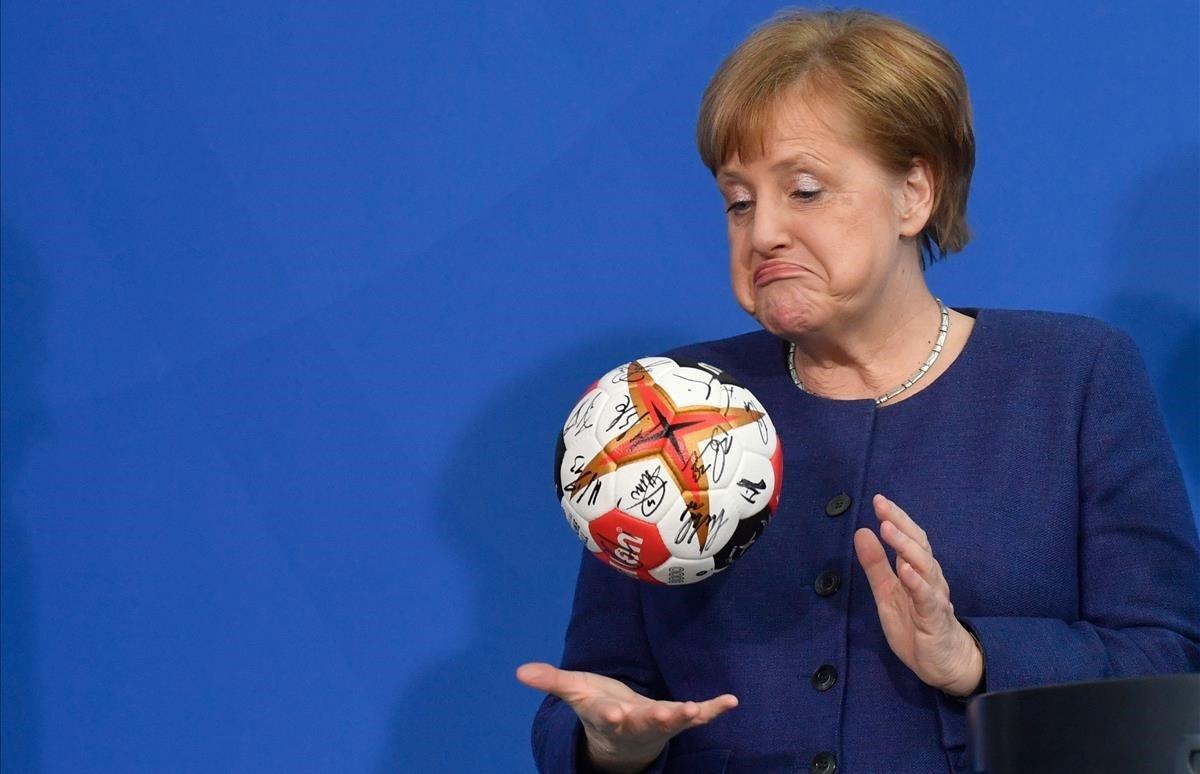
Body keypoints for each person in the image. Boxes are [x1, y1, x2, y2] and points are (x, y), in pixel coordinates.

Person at [516, 9, 1200, 773]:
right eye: (738, 202)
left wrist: (971, 656)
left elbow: (1170, 663)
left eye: (804, 190)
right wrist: (610, 745)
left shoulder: (1073, 376)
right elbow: (600, 689)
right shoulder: (666, 405)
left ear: (914, 193)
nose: (763, 230)